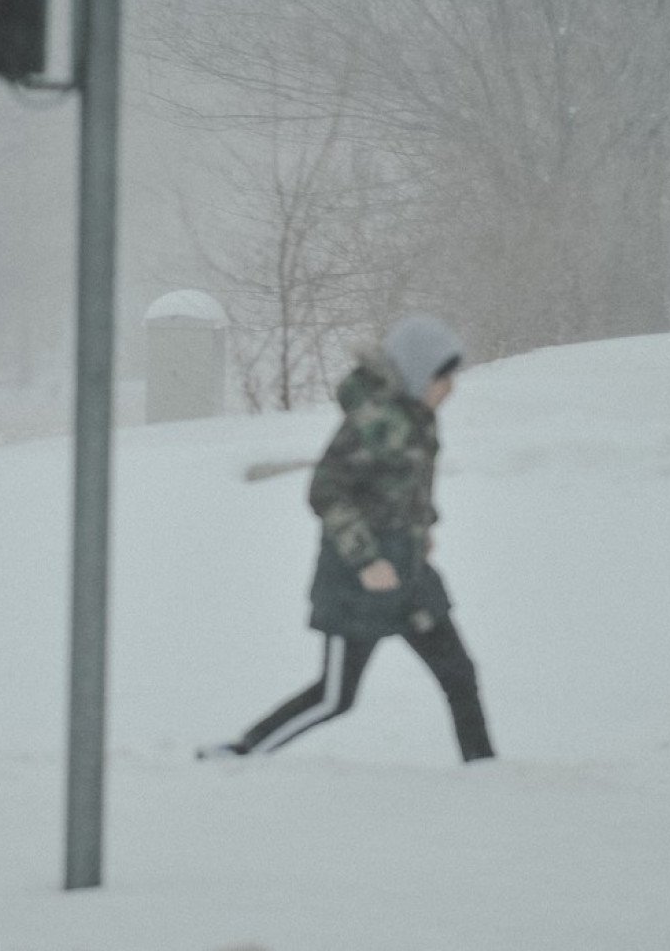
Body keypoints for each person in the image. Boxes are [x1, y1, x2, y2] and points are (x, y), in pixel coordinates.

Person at [202, 315, 495, 763]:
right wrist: (366, 559)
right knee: (335, 696)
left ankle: (484, 773)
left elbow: (406, 486)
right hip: (359, 584)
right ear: (418, 373)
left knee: (459, 674)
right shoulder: (373, 421)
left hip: (412, 576)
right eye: (443, 376)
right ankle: (242, 753)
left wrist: (426, 526)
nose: (450, 387)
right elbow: (327, 491)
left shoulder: (419, 418)